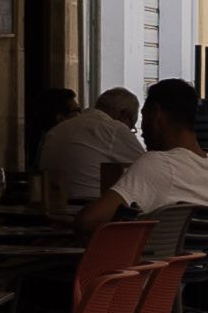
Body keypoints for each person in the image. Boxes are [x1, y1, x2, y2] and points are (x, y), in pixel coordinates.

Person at [78, 78, 208, 228]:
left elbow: (90, 220)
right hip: (201, 253)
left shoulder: (158, 163)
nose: (142, 131)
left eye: (143, 116)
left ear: (156, 113)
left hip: (156, 253)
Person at [38, 88, 146, 220]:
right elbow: (147, 168)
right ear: (124, 115)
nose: (130, 130)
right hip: (92, 216)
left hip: (51, 214)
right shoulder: (114, 129)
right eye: (131, 127)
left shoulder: (56, 130)